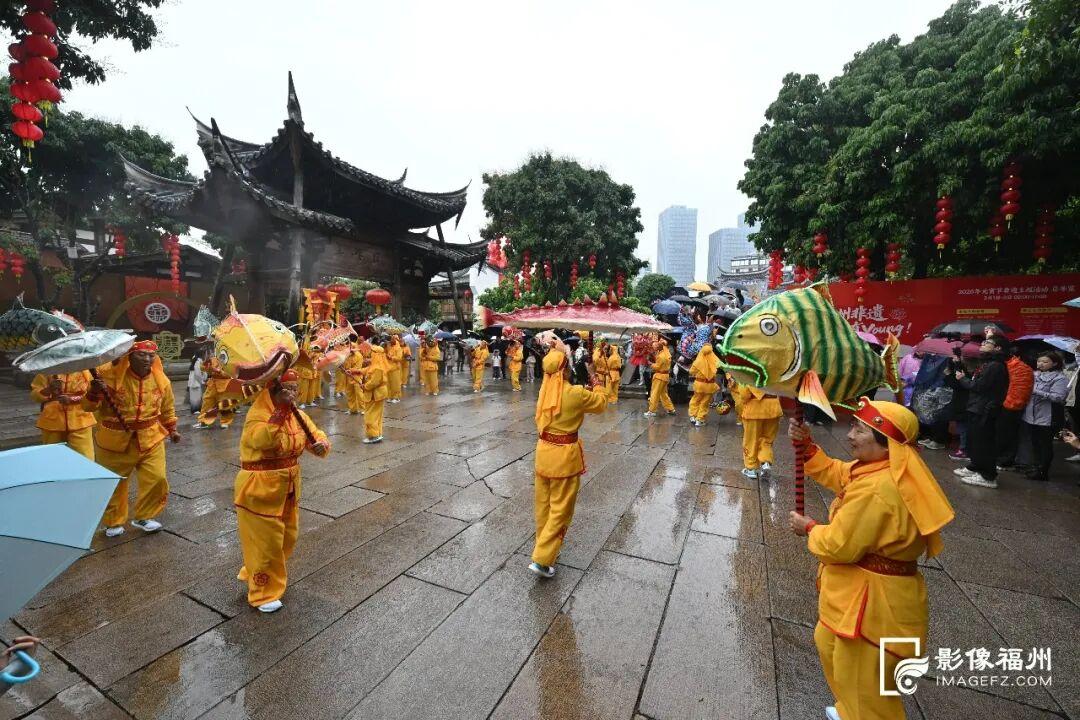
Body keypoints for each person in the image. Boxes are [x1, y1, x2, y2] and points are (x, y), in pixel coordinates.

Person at [788, 398, 954, 720]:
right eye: (852, 425)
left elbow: (838, 545)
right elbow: (838, 473)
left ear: (887, 443)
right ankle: (850, 711)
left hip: (872, 604)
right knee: (829, 645)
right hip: (860, 593)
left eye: (860, 429)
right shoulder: (880, 467)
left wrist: (809, 528)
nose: (850, 435)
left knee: (865, 683)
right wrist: (807, 445)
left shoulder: (878, 489)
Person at [234, 369, 329, 613]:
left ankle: (258, 569)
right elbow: (261, 441)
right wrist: (279, 412)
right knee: (267, 543)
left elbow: (315, 435)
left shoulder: (298, 415)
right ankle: (263, 592)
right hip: (260, 488)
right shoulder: (258, 414)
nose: (295, 394)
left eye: (296, 389)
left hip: (288, 487)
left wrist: (320, 445)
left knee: (288, 537)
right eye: (290, 390)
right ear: (274, 390)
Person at [529, 338, 609, 578]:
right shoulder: (574, 393)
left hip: (543, 455)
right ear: (564, 368)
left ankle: (546, 548)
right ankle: (542, 559)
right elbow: (601, 403)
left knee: (543, 506)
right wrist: (593, 375)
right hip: (564, 459)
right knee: (560, 510)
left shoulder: (543, 391)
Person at [83, 340, 180, 537]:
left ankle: (144, 516)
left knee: (157, 478)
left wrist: (172, 429)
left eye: (151, 355)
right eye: (141, 355)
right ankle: (113, 521)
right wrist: (94, 391)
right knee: (115, 482)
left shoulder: (161, 380)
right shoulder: (108, 379)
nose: (147, 359)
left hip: (151, 437)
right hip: (114, 441)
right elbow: (88, 408)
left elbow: (167, 408)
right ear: (129, 357)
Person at [953, 335, 1010, 488]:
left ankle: (988, 476)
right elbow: (977, 382)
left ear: (998, 348)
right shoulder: (988, 363)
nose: (982, 344)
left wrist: (962, 380)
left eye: (987, 342)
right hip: (977, 407)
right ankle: (976, 467)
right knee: (975, 441)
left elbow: (979, 386)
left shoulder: (996, 365)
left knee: (984, 443)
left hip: (985, 409)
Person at [1020, 351, 1069, 482]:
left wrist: (1037, 392)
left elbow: (1059, 397)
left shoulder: (1060, 378)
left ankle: (1043, 470)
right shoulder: (1034, 374)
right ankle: (1036, 466)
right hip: (1031, 415)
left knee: (1045, 444)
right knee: (1035, 442)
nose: (1040, 364)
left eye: (1045, 362)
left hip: (1048, 416)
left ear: (1054, 363)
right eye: (1039, 361)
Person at [30, 370, 96, 459]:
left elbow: (91, 394)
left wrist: (72, 399)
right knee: (52, 458)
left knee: (85, 457)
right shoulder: (47, 370)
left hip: (81, 420)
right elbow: (34, 395)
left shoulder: (85, 371)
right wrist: (49, 389)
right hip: (52, 421)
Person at [996, 345, 1034, 469]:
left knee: (1008, 434)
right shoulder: (1007, 365)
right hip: (1005, 404)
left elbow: (1019, 391)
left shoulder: (1020, 368)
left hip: (1010, 407)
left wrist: (1007, 405)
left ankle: (1005, 460)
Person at [733, 381, 782, 478]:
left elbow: (744, 394)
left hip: (754, 410)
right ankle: (765, 461)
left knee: (751, 441)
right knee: (767, 439)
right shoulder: (774, 371)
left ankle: (751, 468)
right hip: (773, 408)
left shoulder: (750, 372)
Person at [194, 352, 239, 429]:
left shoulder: (231, 362)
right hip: (212, 385)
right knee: (207, 403)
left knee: (225, 404)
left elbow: (232, 374)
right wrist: (206, 363)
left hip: (224, 385)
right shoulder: (213, 359)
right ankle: (204, 422)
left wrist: (219, 371)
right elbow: (203, 368)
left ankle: (225, 422)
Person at [359, 345, 389, 443]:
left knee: (370, 416)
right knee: (376, 415)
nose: (369, 355)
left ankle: (373, 436)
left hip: (375, 394)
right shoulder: (375, 365)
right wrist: (355, 371)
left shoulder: (378, 368)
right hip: (375, 394)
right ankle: (377, 433)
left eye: (372, 353)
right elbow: (366, 370)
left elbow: (374, 382)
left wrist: (365, 386)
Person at [687, 344, 719, 426]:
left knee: (695, 400)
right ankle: (700, 419)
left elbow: (691, 372)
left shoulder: (698, 361)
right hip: (710, 385)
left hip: (699, 384)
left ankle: (693, 416)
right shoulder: (715, 360)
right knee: (705, 403)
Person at [644, 338, 675, 417]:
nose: (654, 348)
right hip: (665, 376)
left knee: (654, 394)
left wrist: (650, 363)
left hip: (659, 376)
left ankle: (652, 410)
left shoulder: (661, 356)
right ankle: (670, 408)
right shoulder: (666, 352)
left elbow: (657, 366)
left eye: (655, 347)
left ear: (659, 347)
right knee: (663, 394)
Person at [339, 342, 366, 414]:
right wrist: (341, 367)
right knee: (350, 393)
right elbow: (344, 365)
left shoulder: (359, 356)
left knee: (359, 393)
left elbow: (358, 367)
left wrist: (350, 370)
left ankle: (363, 409)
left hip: (356, 377)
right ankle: (353, 409)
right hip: (348, 377)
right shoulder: (347, 355)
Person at [385, 334, 404, 404]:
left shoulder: (398, 348)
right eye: (390, 339)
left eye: (392, 339)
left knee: (395, 383)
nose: (391, 341)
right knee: (389, 384)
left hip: (395, 368)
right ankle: (390, 397)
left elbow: (399, 358)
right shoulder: (389, 346)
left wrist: (392, 358)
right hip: (388, 368)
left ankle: (396, 397)